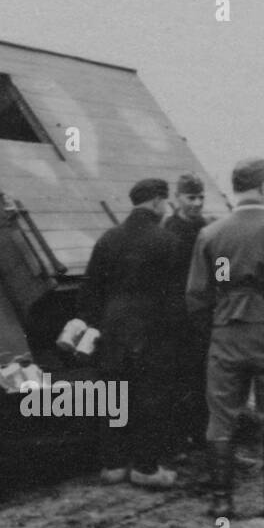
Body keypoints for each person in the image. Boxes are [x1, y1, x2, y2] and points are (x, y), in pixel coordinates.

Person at [185, 158, 264, 519]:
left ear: (235, 186)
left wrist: (213, 331)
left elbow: (197, 295)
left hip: (227, 333)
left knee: (222, 417)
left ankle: (222, 501)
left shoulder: (211, 234)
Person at [77, 178, 181, 489]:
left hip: (112, 328)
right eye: (165, 202)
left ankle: (113, 466)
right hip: (151, 330)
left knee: (114, 395)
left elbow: (89, 290)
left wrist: (96, 324)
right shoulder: (167, 241)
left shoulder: (108, 239)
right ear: (156, 203)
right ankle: (146, 468)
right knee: (150, 396)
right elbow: (176, 297)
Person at [163, 172, 212, 453]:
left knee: (207, 380)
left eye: (201, 197)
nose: (197, 203)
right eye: (191, 197)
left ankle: (203, 436)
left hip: (205, 316)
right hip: (178, 319)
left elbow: (221, 265)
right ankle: (180, 441)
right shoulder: (169, 233)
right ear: (177, 199)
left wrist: (224, 284)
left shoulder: (208, 230)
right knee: (181, 380)